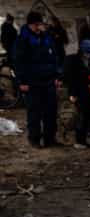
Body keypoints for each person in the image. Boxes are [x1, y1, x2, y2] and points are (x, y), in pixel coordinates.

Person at [11, 12, 64, 148]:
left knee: (50, 112)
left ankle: (50, 139)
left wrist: (58, 76)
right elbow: (18, 62)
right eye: (37, 24)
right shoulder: (22, 40)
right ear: (31, 24)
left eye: (40, 24)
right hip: (31, 82)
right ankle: (34, 139)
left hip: (49, 80)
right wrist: (21, 82)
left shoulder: (47, 37)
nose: (39, 27)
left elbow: (55, 57)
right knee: (34, 112)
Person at [64, 39, 90, 148]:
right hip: (80, 91)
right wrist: (72, 93)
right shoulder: (72, 60)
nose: (89, 55)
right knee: (82, 116)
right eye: (88, 52)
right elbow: (70, 78)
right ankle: (80, 141)